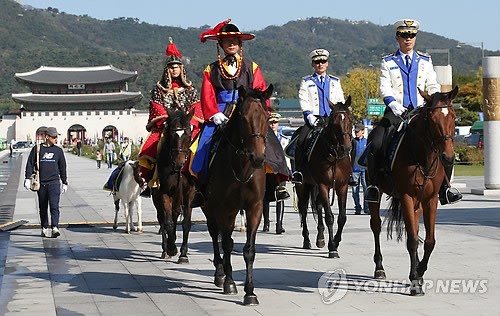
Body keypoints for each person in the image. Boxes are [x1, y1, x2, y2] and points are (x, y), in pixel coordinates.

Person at [191, 19, 290, 206]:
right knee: (200, 146)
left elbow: (261, 90)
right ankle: (200, 186)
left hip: (249, 110)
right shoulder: (211, 69)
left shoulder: (252, 67)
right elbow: (207, 93)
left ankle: (277, 183)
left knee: (268, 141)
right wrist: (214, 113)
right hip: (221, 111)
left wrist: (261, 111)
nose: (232, 44)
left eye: (235, 41)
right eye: (228, 41)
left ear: (240, 43)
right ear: (220, 44)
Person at [365, 18, 462, 206]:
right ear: (397, 37)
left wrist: (434, 100)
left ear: (415, 38)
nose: (408, 39)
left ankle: (445, 188)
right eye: (404, 35)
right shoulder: (388, 61)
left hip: (421, 111)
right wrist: (393, 104)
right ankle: (374, 186)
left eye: (411, 35)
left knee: (445, 143)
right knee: (376, 141)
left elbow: (432, 84)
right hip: (396, 112)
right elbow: (384, 88)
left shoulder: (425, 61)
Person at [137, 37, 203, 197]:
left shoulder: (190, 89)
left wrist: (191, 121)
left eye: (177, 67)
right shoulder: (159, 89)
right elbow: (156, 106)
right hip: (167, 124)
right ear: (167, 70)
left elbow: (196, 106)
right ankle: (147, 179)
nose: (174, 70)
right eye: (171, 67)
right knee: (151, 145)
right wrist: (166, 120)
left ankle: (202, 181)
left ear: (182, 69)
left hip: (187, 125)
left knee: (200, 147)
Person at [290, 48, 345, 184]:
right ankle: (299, 172)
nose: (320, 64)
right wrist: (309, 116)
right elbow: (303, 100)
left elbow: (340, 100)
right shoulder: (307, 81)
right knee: (300, 141)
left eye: (323, 61)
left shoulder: (335, 81)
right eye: (317, 62)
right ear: (313, 65)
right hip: (313, 119)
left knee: (348, 141)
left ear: (327, 64)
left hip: (331, 120)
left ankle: (346, 172)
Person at [24, 127, 68, 238]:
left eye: (56, 137)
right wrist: (27, 178)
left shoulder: (58, 151)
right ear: (47, 137)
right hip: (41, 183)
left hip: (54, 183)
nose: (56, 139)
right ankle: (44, 227)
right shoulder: (37, 149)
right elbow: (30, 163)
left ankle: (55, 227)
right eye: (53, 137)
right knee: (43, 207)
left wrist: (65, 181)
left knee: (54, 206)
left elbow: (62, 167)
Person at [262, 113, 289, 233]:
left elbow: (287, 157)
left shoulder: (284, 139)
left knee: (281, 196)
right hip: (267, 171)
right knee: (265, 198)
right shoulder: (264, 138)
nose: (273, 124)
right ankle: (266, 223)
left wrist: (289, 171)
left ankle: (279, 224)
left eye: (275, 122)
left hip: (280, 171)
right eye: (271, 122)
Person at [350, 123, 368, 214]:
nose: (356, 133)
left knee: (366, 189)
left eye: (358, 131)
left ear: (363, 132)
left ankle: (366, 207)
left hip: (365, 170)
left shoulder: (367, 142)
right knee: (354, 191)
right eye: (355, 131)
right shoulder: (352, 142)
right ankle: (357, 207)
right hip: (354, 170)